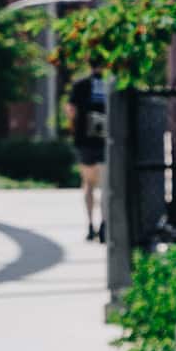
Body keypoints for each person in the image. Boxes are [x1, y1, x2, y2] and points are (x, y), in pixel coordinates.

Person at [66, 60, 111, 242]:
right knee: (106, 186)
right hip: (107, 141)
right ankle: (104, 224)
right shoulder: (110, 83)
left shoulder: (80, 85)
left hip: (85, 141)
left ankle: (90, 225)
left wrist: (74, 127)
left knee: (88, 184)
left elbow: (71, 110)